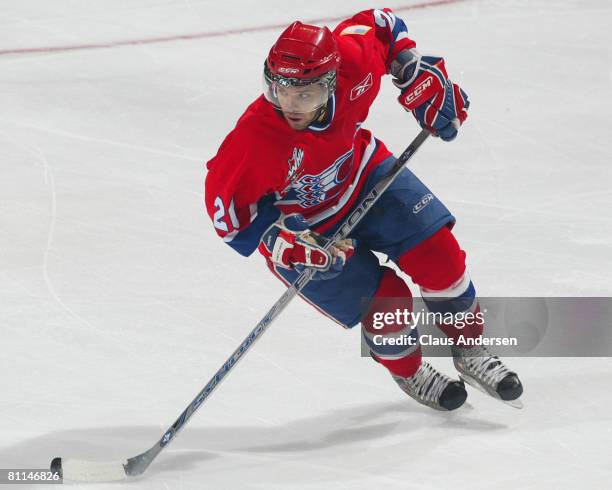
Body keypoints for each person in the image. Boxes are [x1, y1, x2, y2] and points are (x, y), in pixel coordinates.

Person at [205, 8, 523, 410]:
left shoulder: (353, 60)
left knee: (440, 258)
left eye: (306, 93)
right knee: (387, 301)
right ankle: (410, 372)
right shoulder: (253, 139)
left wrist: (413, 72)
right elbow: (228, 213)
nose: (291, 104)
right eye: (280, 90)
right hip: (307, 230)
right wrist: (279, 242)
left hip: (365, 175)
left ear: (332, 81)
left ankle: (471, 351)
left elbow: (383, 24)